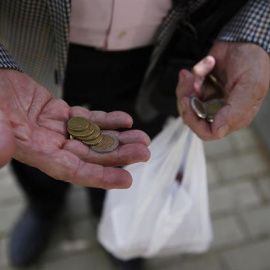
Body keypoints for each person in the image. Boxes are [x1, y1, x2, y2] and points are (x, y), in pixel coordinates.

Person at [0, 0, 269, 268]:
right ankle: (44, 206)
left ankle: (113, 218)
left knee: (130, 153)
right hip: (31, 44)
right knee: (35, 142)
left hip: (164, 48)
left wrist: (253, 32)